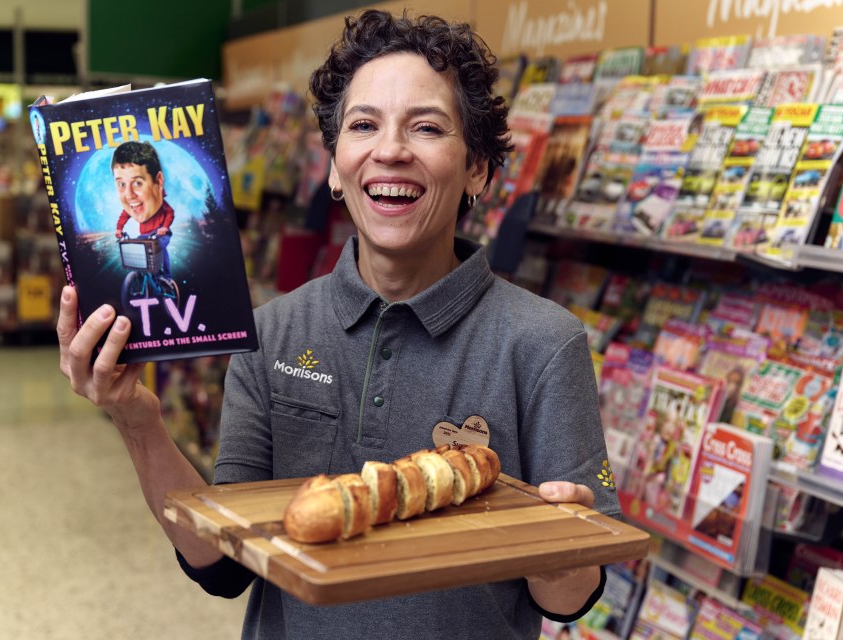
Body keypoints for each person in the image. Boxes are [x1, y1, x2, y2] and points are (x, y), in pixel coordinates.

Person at [58, 9, 621, 639]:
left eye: (428, 127)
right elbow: (220, 564)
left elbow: (570, 599)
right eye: (363, 125)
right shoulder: (271, 331)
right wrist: (137, 419)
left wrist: (557, 542)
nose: (390, 151)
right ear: (333, 165)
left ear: (478, 171)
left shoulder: (544, 342)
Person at [112, 140, 174, 281]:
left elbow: (170, 213)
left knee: (161, 247)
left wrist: (164, 227)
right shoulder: (132, 206)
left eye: (138, 183)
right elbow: (124, 215)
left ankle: (166, 276)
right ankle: (141, 276)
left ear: (158, 181)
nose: (129, 195)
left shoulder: (163, 205)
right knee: (136, 247)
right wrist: (119, 229)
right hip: (145, 235)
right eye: (121, 184)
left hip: (160, 234)